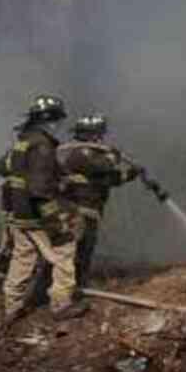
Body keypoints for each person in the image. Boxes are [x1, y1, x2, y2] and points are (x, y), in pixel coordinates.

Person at [0, 93, 84, 327]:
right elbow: (39, 190)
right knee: (65, 250)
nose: (59, 125)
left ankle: (11, 309)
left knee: (22, 259)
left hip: (18, 214)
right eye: (57, 121)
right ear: (49, 120)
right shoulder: (43, 145)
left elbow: (1, 167)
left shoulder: (23, 141)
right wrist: (57, 223)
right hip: (36, 215)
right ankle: (61, 305)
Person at [55, 114, 143, 290]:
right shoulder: (80, 153)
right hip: (77, 212)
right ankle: (62, 292)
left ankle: (77, 287)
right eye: (98, 134)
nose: (101, 138)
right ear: (90, 135)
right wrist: (114, 156)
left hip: (89, 212)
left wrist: (131, 174)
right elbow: (102, 166)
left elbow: (105, 179)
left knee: (84, 252)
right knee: (71, 253)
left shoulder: (92, 155)